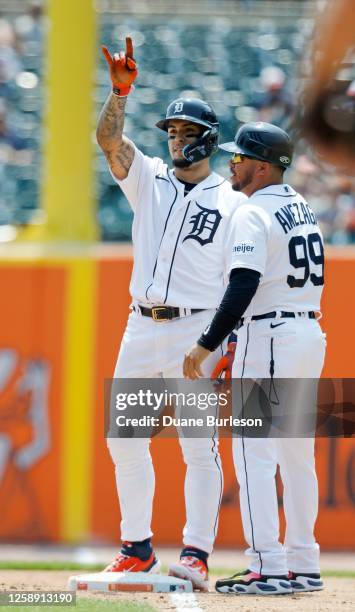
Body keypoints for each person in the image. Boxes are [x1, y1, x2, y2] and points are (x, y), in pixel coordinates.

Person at [96, 37, 246, 591]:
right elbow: (108, 140)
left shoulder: (231, 201)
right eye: (172, 132)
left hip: (194, 329)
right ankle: (136, 548)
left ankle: (197, 553)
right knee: (124, 439)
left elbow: (242, 280)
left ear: (207, 139)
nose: (176, 139)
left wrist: (223, 342)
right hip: (141, 324)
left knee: (197, 446)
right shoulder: (149, 178)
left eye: (186, 132)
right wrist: (119, 93)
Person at [184, 121, 326, 595]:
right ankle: (304, 562)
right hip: (307, 333)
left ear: (262, 167)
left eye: (241, 157)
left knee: (253, 454)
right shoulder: (300, 205)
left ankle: (267, 564)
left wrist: (207, 343)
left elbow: (243, 284)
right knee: (296, 454)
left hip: (271, 335)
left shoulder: (251, 212)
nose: (232, 162)